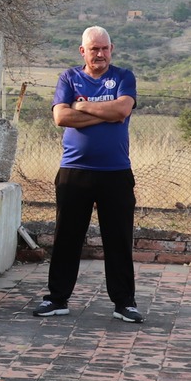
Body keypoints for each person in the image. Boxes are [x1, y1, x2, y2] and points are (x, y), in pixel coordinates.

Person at [33, 28, 141, 324]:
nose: (100, 54)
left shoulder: (123, 77)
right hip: (74, 171)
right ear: (83, 51)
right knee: (67, 237)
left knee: (118, 239)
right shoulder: (69, 77)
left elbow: (122, 109)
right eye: (94, 49)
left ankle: (124, 303)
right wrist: (104, 113)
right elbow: (61, 117)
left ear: (111, 48)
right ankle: (57, 298)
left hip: (116, 173)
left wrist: (82, 106)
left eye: (105, 49)